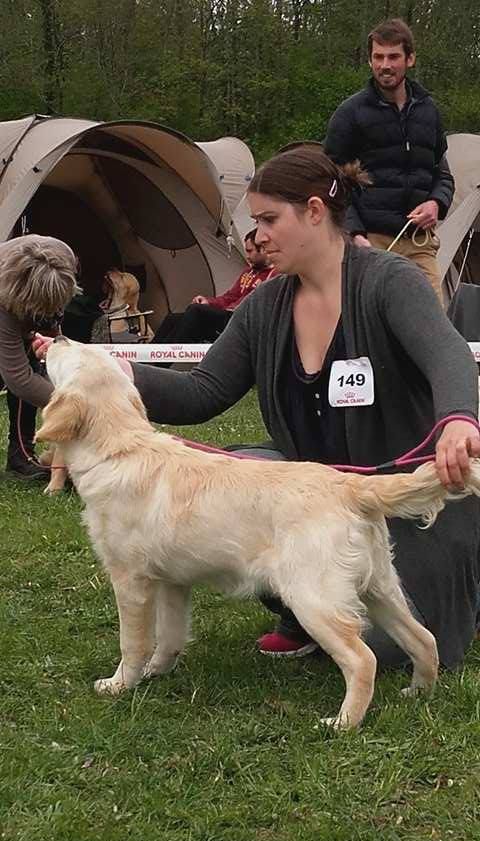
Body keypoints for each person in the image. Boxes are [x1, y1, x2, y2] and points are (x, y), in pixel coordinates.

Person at [34, 145, 480, 672]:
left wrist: (457, 420)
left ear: (314, 211)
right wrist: (115, 373)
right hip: (312, 495)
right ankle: (301, 601)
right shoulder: (264, 306)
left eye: (269, 219)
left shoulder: (389, 281)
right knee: (233, 480)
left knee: (395, 649)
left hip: (404, 494)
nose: (258, 234)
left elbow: (447, 353)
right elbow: (202, 392)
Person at [324, 17, 454, 304]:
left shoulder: (429, 110)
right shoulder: (350, 113)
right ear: (370, 61)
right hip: (371, 241)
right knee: (377, 326)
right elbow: (331, 181)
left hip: (419, 241)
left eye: (393, 56)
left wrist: (436, 203)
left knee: (432, 325)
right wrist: (355, 234)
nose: (385, 65)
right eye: (378, 57)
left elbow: (442, 175)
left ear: (410, 59)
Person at [0, 234, 79, 480]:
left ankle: (20, 457)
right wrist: (74, 406)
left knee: (34, 364)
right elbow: (19, 379)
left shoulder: (63, 254)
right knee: (25, 377)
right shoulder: (4, 306)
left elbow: (56, 316)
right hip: (7, 306)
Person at [152, 229, 276, 344]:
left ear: (263, 249)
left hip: (241, 320)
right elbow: (229, 297)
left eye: (250, 251)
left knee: (196, 311)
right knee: (173, 319)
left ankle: (164, 357)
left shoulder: (274, 275)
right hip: (226, 316)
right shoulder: (248, 272)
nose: (247, 257)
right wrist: (208, 302)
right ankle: (145, 361)